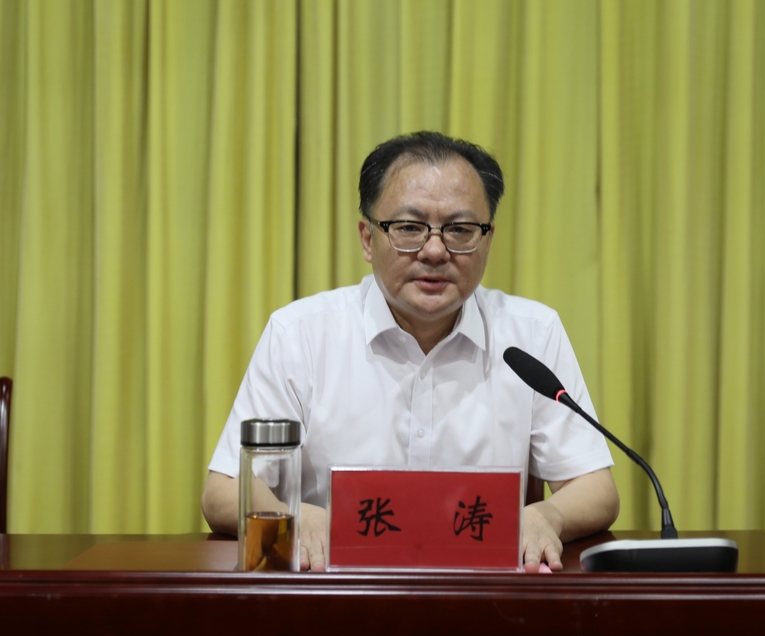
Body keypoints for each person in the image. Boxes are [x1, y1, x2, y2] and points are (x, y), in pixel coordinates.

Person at [202, 131, 619, 572]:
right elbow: (225, 490)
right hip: (338, 594)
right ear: (368, 238)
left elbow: (595, 487)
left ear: (487, 240)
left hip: (485, 596)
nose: (435, 251)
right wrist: (297, 517)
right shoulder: (301, 334)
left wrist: (547, 516)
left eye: (460, 230)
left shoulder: (531, 334)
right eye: (408, 228)